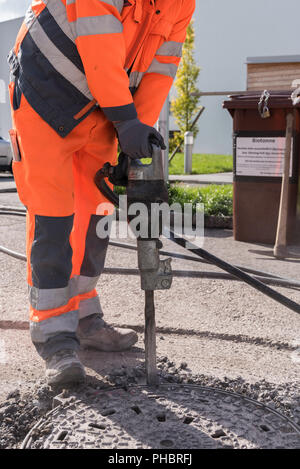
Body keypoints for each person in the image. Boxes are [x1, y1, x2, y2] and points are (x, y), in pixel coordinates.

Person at [8, 0, 195, 385]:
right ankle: (55, 337)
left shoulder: (183, 4)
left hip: (104, 106)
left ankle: (84, 319)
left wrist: (136, 133)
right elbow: (99, 42)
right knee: (54, 213)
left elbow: (160, 70)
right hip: (46, 92)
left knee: (96, 214)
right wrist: (125, 118)